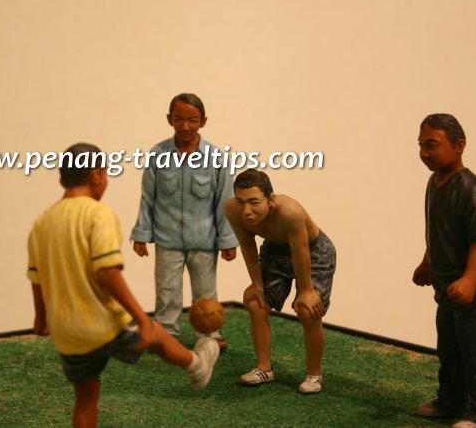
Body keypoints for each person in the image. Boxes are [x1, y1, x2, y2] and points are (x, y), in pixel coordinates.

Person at [28, 143, 220, 428]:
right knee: (154, 331)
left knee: (86, 396)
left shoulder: (42, 222)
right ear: (96, 175)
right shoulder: (98, 214)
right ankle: (196, 365)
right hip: (100, 324)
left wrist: (41, 319)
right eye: (105, 173)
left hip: (66, 331)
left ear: (62, 179)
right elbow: (108, 272)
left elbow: (37, 279)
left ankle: (194, 363)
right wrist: (142, 319)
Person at [412, 114, 476, 428]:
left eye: (432, 145)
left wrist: (469, 280)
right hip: (446, 290)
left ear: (459, 145)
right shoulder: (434, 182)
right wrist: (427, 262)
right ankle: (451, 400)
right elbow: (437, 231)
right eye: (421, 145)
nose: (424, 152)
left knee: (475, 353)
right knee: (449, 349)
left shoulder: (472, 191)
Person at [131, 93, 238, 349]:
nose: (185, 126)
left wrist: (227, 240)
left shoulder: (216, 157)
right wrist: (141, 235)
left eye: (193, 120)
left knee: (206, 292)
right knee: (167, 292)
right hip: (168, 240)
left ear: (203, 121)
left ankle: (209, 333)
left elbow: (226, 200)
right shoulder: (158, 154)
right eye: (179, 119)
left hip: (204, 240)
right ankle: (166, 333)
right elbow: (148, 198)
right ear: (169, 119)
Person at [224, 169, 336, 394]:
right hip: (275, 250)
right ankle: (264, 368)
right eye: (241, 201)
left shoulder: (290, 212)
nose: (246, 210)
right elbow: (247, 246)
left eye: (254, 202)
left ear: (270, 199)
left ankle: (315, 374)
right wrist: (257, 284)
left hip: (312, 251)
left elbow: (301, 251)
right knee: (256, 302)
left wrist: (306, 290)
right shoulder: (232, 210)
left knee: (307, 310)